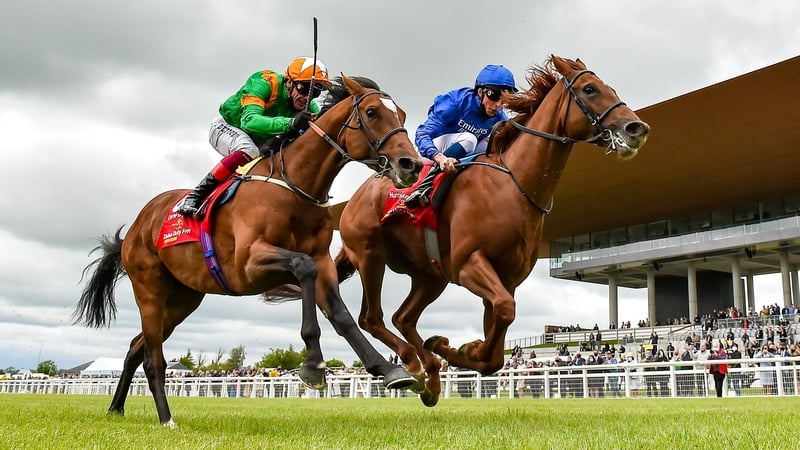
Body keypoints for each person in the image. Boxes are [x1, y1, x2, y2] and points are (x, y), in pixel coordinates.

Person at [178, 57, 330, 216]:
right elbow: (248, 121)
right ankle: (194, 196)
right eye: (304, 89)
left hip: (260, 141)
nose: (307, 97)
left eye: (315, 92)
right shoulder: (264, 83)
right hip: (227, 127)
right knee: (249, 149)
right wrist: (290, 123)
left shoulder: (309, 105)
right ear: (289, 82)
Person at [404, 64, 517, 207]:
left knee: (492, 147)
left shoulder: (499, 118)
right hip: (432, 152)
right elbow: (422, 133)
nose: (498, 105)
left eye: (505, 101)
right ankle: (423, 186)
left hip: (461, 155)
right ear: (480, 92)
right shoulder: (456, 102)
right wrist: (440, 158)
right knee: (470, 139)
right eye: (494, 96)